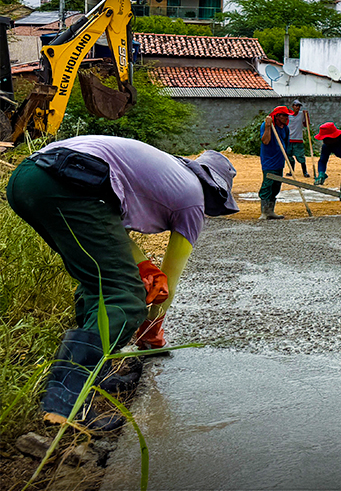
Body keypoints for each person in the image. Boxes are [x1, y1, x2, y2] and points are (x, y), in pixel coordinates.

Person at [6, 138, 238, 430]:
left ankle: (97, 372)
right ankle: (66, 403)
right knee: (126, 296)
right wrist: (151, 331)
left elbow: (115, 242)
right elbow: (171, 279)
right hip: (65, 184)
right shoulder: (192, 200)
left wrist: (144, 268)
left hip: (29, 178)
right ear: (215, 192)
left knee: (101, 280)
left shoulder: (160, 175)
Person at [258, 105, 292, 220]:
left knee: (276, 186)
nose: (287, 118)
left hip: (279, 161)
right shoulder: (267, 126)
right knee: (267, 185)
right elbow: (266, 141)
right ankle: (264, 212)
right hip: (269, 162)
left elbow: (286, 143)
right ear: (277, 116)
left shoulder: (285, 128)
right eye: (285, 115)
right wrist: (268, 126)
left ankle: (271, 211)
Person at [285, 99, 310, 177]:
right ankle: (291, 171)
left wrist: (307, 116)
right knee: (289, 156)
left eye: (299, 106)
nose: (298, 107)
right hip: (289, 139)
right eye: (296, 106)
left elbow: (306, 125)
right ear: (293, 106)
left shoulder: (302, 114)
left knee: (301, 156)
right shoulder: (287, 115)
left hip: (298, 139)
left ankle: (305, 172)